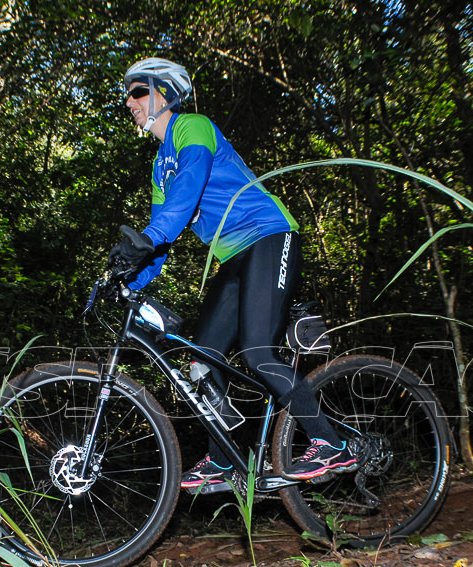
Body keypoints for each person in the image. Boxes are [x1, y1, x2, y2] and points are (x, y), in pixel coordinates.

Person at [113, 57, 357, 489]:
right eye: (126, 94)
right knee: (201, 361)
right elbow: (161, 238)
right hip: (235, 259)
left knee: (258, 351)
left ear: (163, 94)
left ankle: (331, 443)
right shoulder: (158, 167)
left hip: (269, 236)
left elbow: (186, 193)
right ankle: (225, 460)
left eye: (137, 91)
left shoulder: (193, 127)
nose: (128, 101)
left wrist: (149, 237)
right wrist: (127, 278)